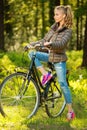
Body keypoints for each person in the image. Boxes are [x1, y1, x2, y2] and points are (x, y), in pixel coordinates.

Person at [25, 5, 75, 121]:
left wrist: (50, 44)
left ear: (63, 15)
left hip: (59, 59)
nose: (55, 16)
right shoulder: (53, 28)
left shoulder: (68, 31)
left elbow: (61, 44)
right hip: (50, 56)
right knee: (32, 54)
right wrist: (31, 44)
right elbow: (44, 40)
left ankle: (70, 111)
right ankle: (45, 74)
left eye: (57, 14)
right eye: (54, 14)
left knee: (63, 84)